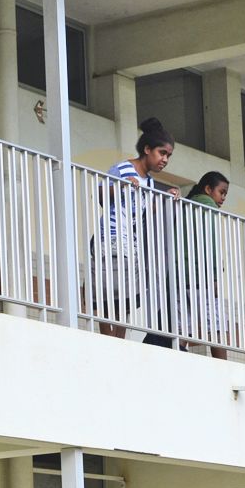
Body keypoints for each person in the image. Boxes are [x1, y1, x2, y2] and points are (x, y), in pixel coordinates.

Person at [97, 118, 176, 346]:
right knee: (109, 290)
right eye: (162, 153)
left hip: (130, 241)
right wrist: (121, 185)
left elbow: (145, 211)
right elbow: (101, 196)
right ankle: (107, 339)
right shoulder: (123, 168)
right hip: (111, 235)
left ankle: (118, 342)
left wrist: (166, 198)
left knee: (127, 294)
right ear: (147, 149)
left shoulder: (149, 182)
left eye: (168, 156)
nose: (165, 159)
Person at [181, 172, 231, 359]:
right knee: (217, 325)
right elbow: (211, 245)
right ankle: (223, 366)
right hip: (201, 276)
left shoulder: (187, 204)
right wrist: (215, 277)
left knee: (183, 324)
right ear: (208, 189)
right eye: (221, 192)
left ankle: (177, 359)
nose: (223, 198)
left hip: (182, 275)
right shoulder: (208, 205)